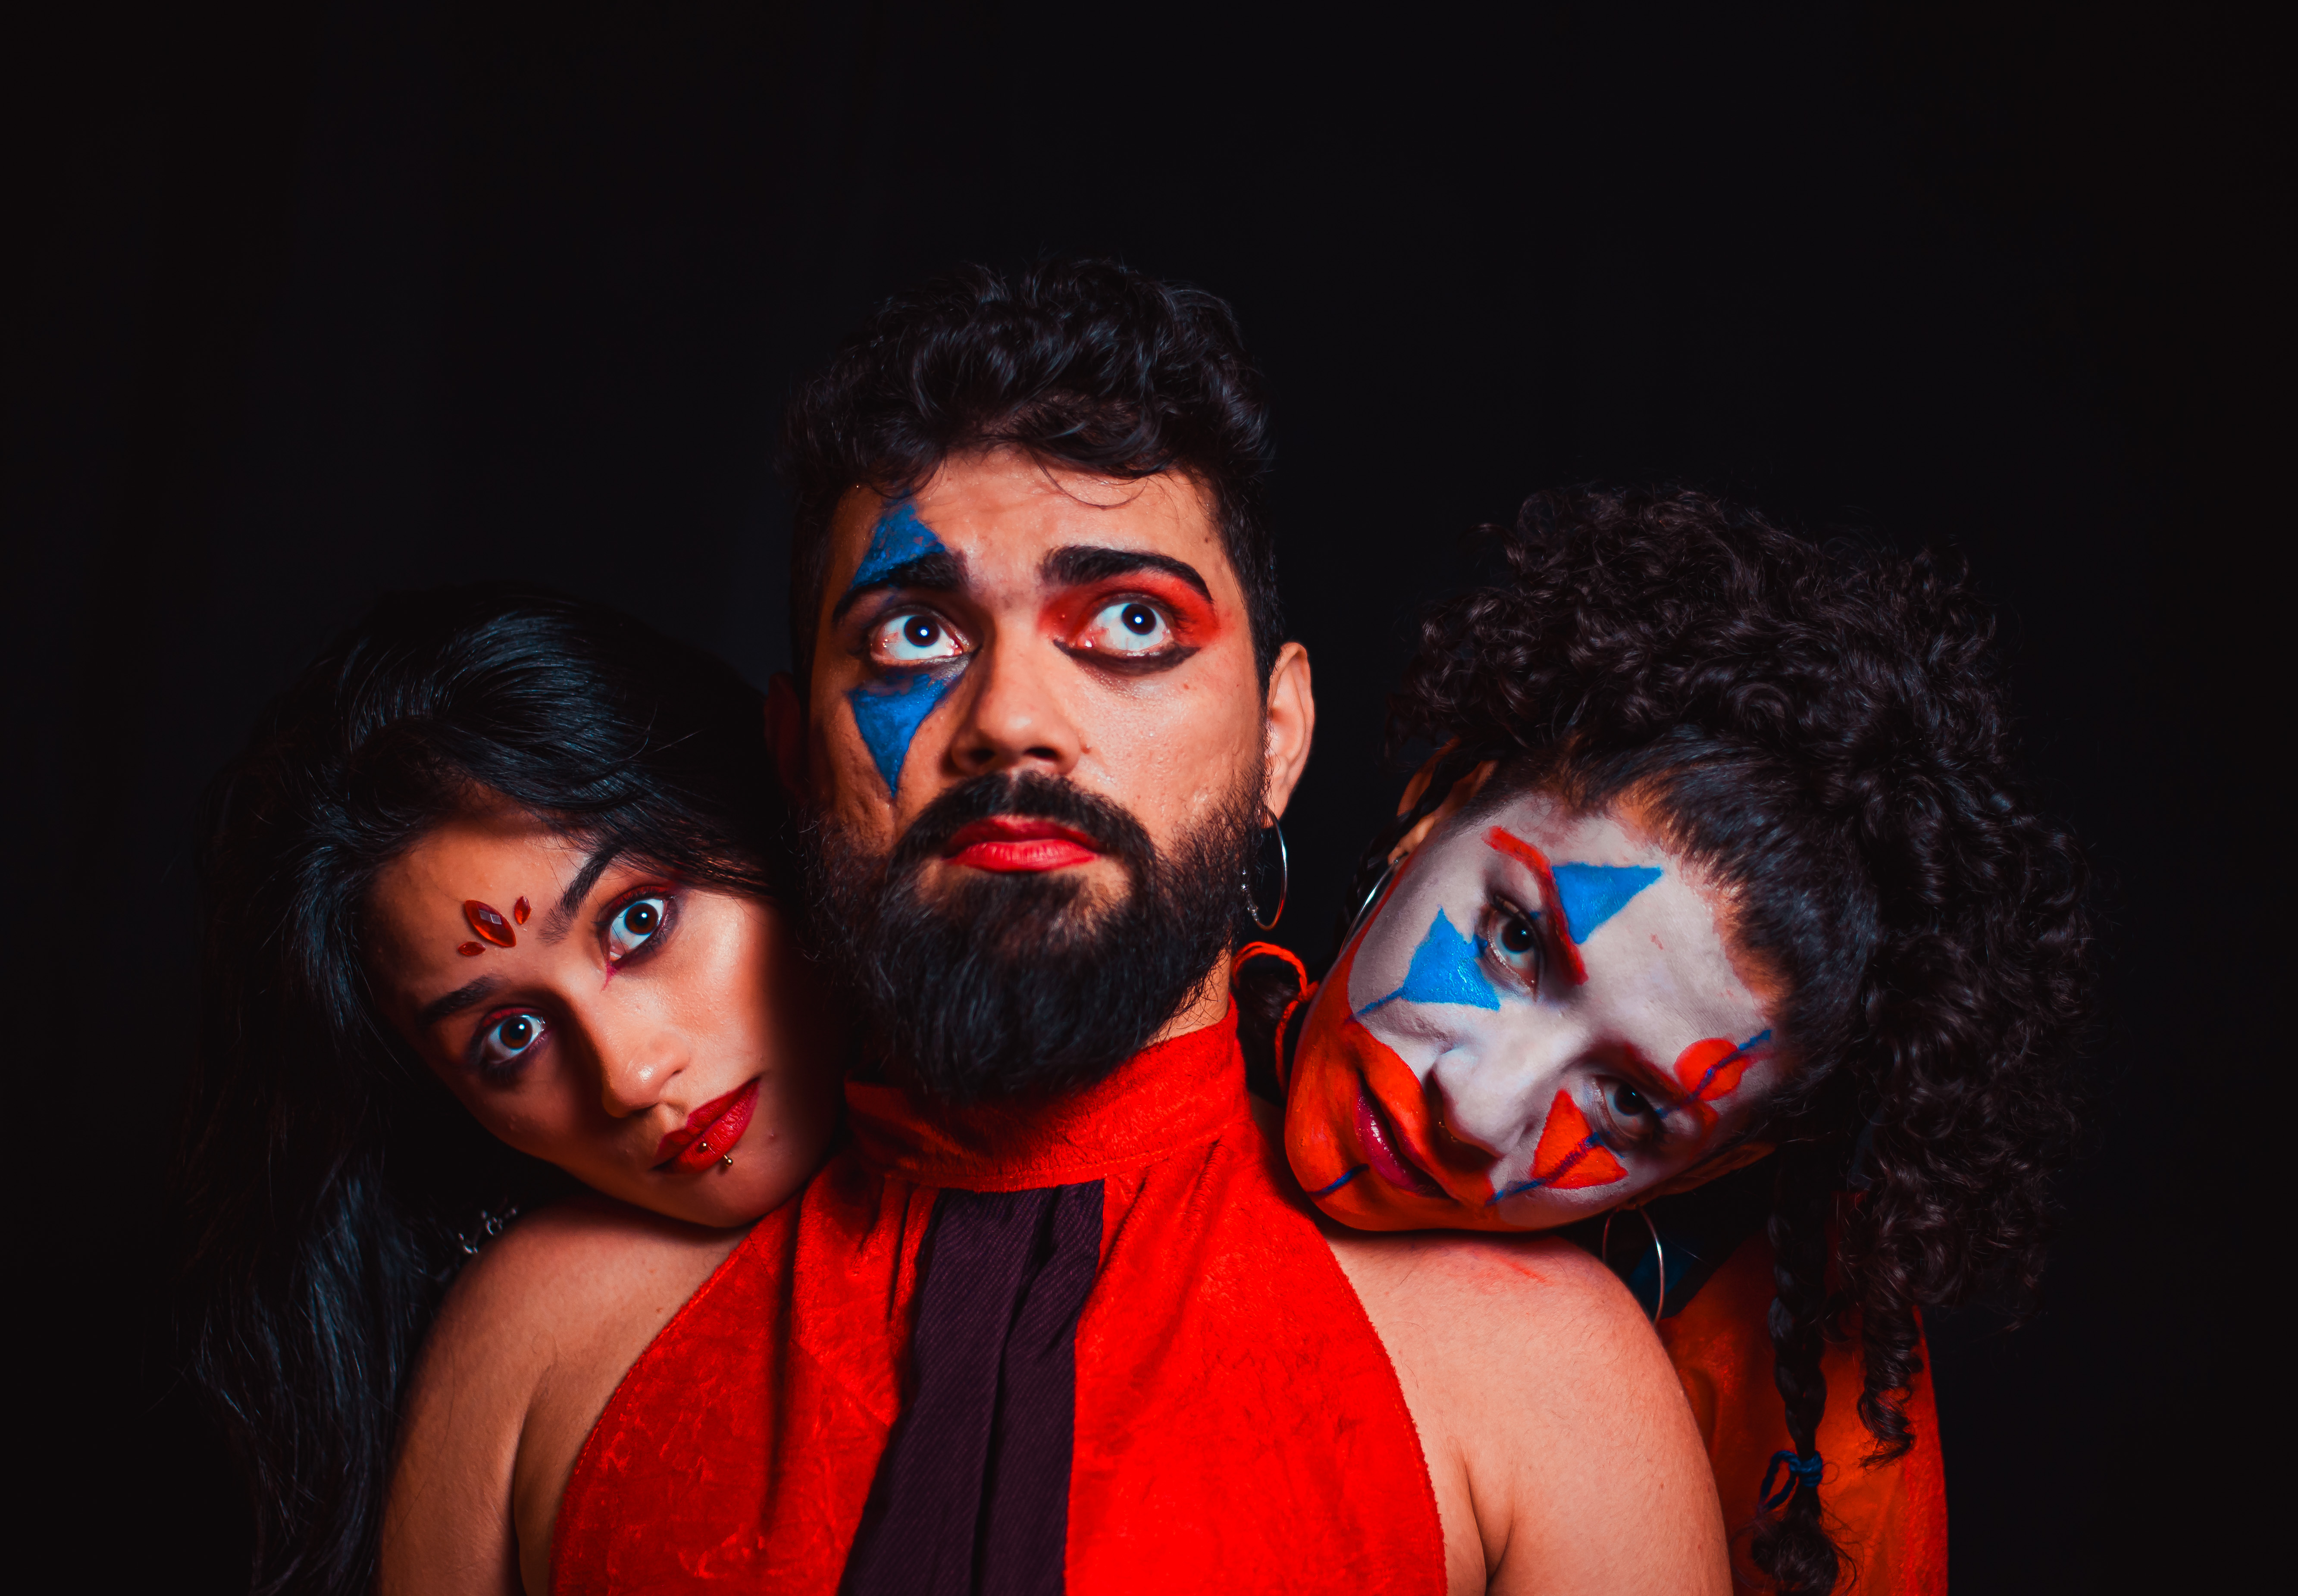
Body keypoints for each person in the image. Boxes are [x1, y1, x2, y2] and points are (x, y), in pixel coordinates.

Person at [546, 261, 1728, 1595]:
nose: (1012, 719)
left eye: (1130, 620)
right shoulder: (551, 1347)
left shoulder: (1543, 1389)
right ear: (792, 748)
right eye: (916, 631)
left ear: (1278, 735)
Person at [1249, 488, 2092, 1596]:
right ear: (1434, 806)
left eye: (1632, 1103)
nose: (1478, 1107)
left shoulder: (1726, 1416)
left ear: (1713, 1166)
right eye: (1514, 940)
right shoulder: (1107, 1011)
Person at [173, 585, 844, 1596]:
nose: (630, 1077)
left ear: (769, 806)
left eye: (639, 923)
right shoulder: (524, 1339)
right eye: (511, 1036)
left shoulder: (1077, 1172)